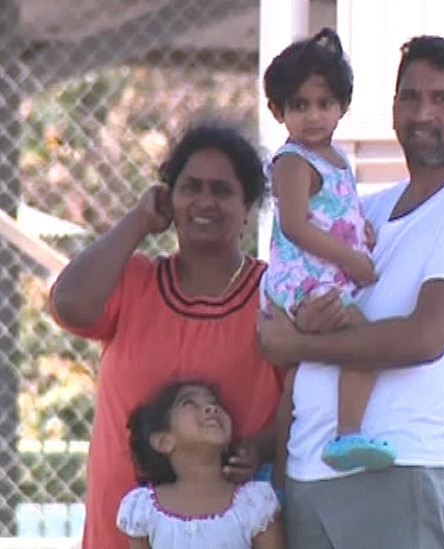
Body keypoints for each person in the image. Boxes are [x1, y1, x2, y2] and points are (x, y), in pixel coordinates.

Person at [257, 35, 444, 549]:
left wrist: (298, 344)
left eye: (441, 98)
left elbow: (423, 339)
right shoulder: (364, 208)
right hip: (309, 470)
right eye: (409, 97)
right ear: (392, 110)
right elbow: (283, 305)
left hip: (398, 467)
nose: (422, 113)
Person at [49, 121, 283, 548]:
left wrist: (261, 447)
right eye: (190, 187)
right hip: (119, 527)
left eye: (223, 190)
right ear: (168, 198)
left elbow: (300, 400)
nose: (205, 201)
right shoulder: (135, 279)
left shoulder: (274, 293)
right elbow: (68, 304)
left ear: (249, 206)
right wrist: (139, 220)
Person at [262, 26, 396, 486]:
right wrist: (353, 260)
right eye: (299, 105)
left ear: (342, 106)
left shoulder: (335, 157)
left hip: (325, 273)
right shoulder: (294, 161)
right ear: (277, 110)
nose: (313, 116)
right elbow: (297, 225)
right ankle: (347, 433)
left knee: (298, 376)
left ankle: (281, 470)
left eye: (324, 104)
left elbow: (334, 212)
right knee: (364, 343)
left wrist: (363, 231)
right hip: (305, 278)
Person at [116, 380, 284, 548]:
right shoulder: (144, 510)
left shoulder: (254, 504)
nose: (212, 409)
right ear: (164, 441)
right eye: (189, 404)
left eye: (215, 403)